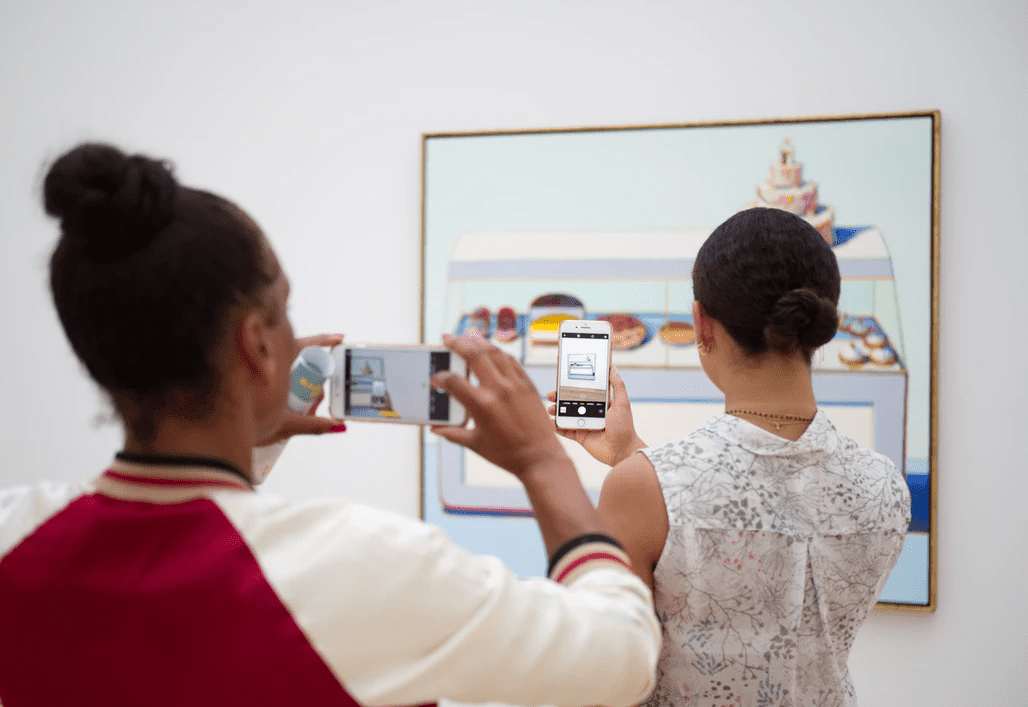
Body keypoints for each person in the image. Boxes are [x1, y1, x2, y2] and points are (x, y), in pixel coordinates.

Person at [0, 143, 660, 707]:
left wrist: (244, 447)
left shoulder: (14, 533)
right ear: (256, 343)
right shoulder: (367, 563)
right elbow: (620, 655)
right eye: (283, 310)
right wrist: (542, 461)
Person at [550, 208, 911, 706]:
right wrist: (632, 455)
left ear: (702, 324)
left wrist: (613, 469)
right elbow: (767, 512)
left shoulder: (644, 489)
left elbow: (605, 679)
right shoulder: (885, 486)